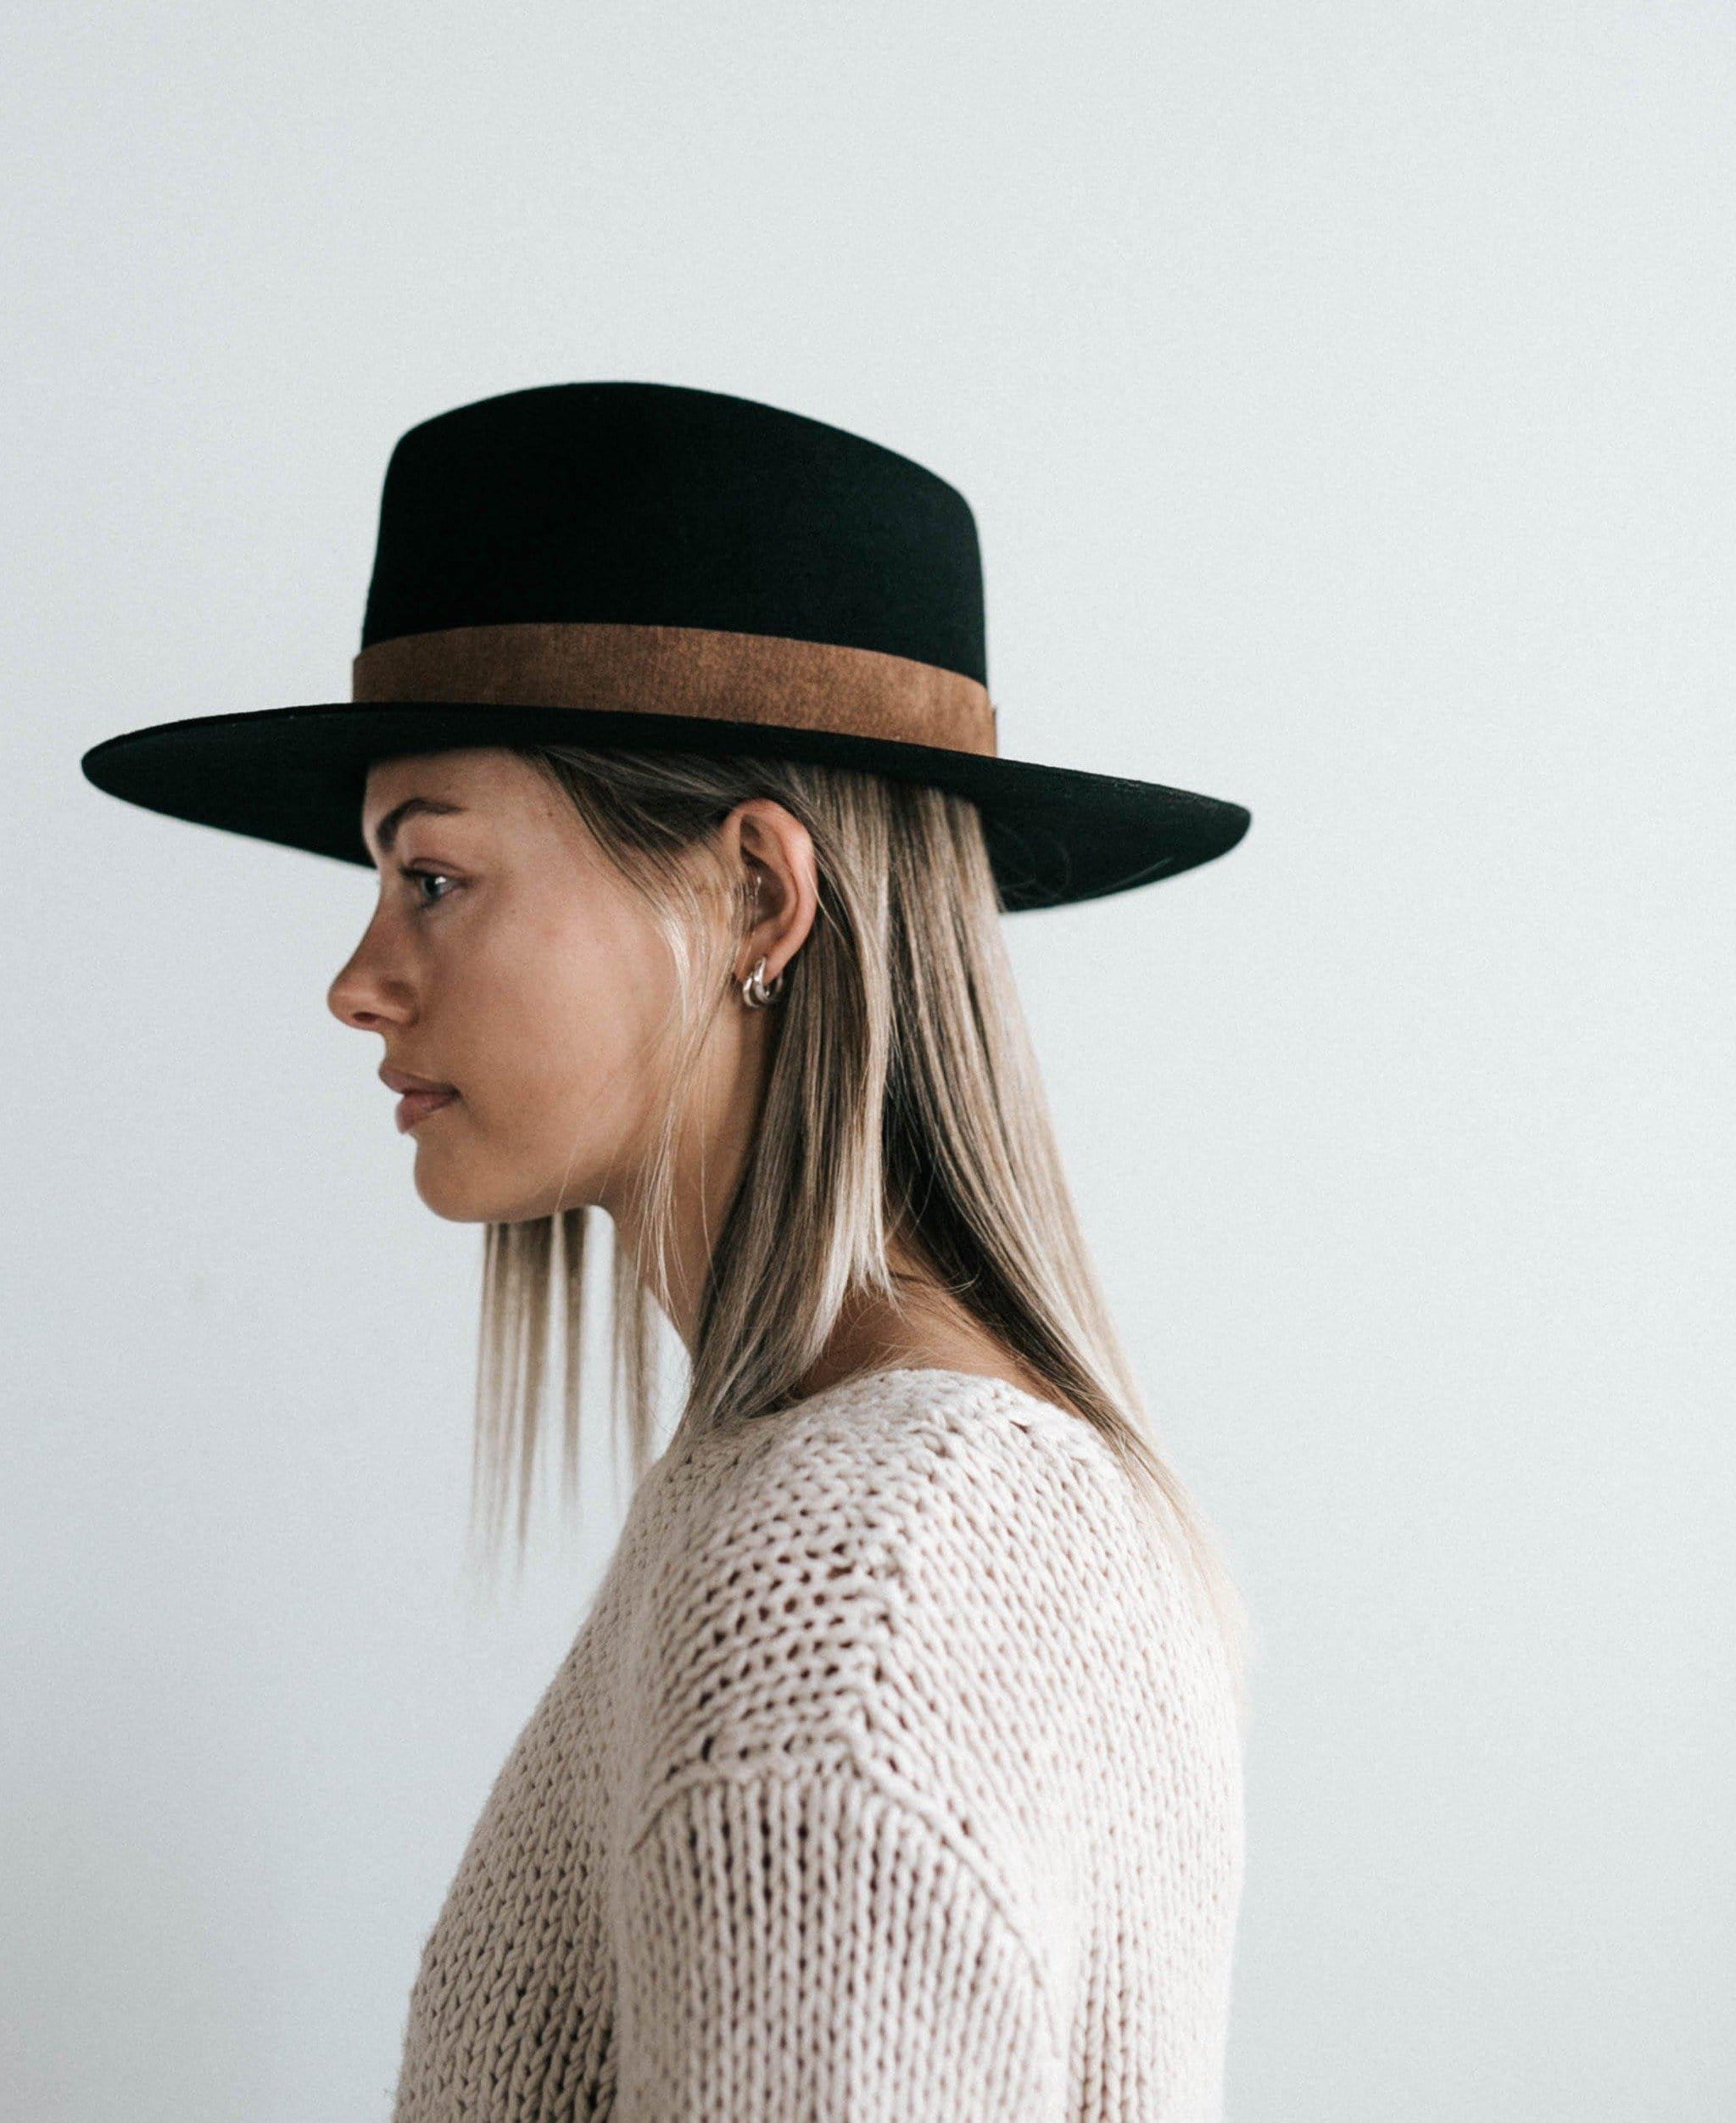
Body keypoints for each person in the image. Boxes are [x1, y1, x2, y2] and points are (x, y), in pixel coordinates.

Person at [81, 380, 1255, 2120]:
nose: (355, 979)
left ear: (752, 899)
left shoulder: (848, 1590)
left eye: (433, 877)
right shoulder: (952, 1509)